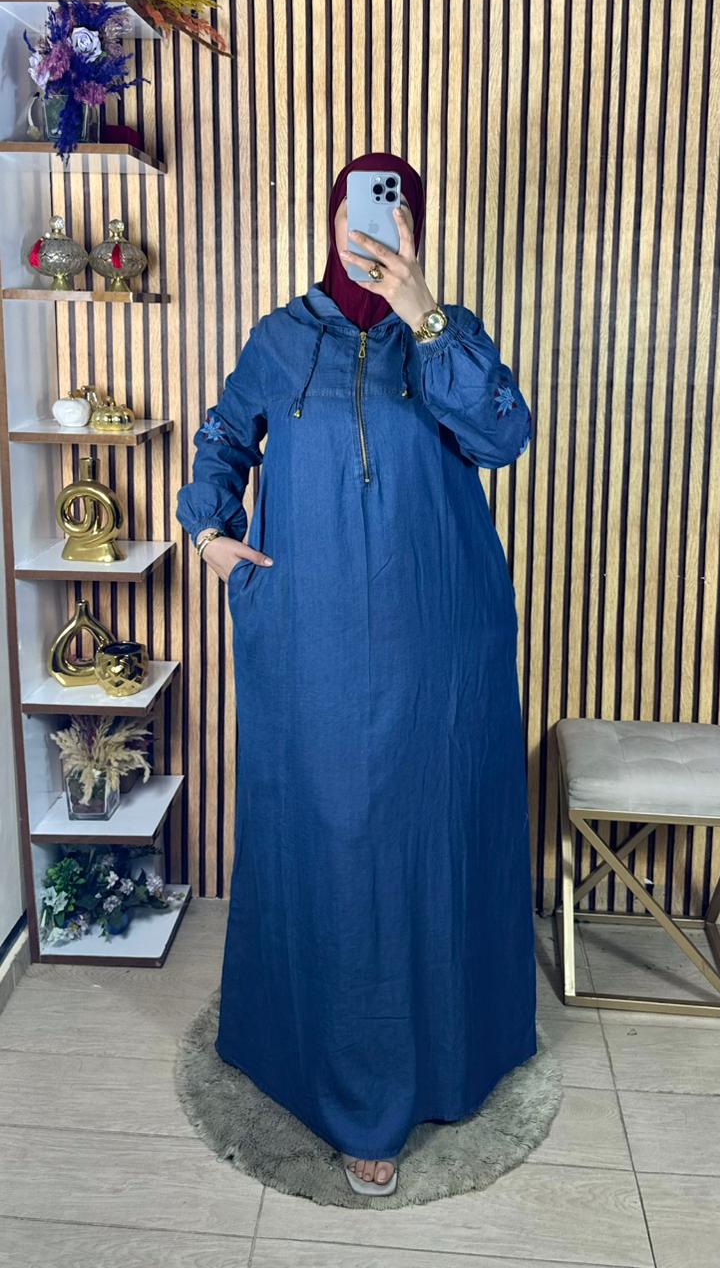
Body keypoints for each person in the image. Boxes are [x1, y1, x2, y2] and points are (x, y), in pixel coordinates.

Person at [176, 151, 537, 1197]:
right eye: (356, 208)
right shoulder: (281, 338)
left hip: (440, 636)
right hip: (313, 638)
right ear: (330, 219)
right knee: (333, 842)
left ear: (414, 226)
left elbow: (504, 435)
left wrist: (425, 313)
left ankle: (449, 1052)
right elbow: (222, 437)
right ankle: (340, 1080)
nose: (371, 228)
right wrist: (210, 531)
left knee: (425, 835)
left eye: (393, 211)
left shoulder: (445, 336)